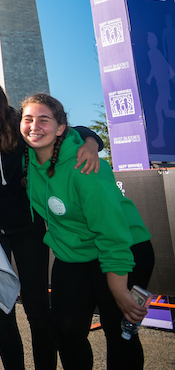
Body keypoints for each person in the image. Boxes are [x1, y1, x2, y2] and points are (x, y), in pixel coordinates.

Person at [0, 67, 102, 370]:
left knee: (37, 307)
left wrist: (91, 144)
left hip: (28, 229)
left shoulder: (18, 121)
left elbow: (74, 131)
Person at [20, 94, 154, 370]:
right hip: (75, 255)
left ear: (60, 128)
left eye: (44, 120)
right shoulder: (29, 162)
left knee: (119, 332)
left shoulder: (85, 166)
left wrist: (118, 290)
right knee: (67, 331)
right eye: (28, 119)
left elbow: (112, 233)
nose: (35, 126)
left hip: (123, 249)